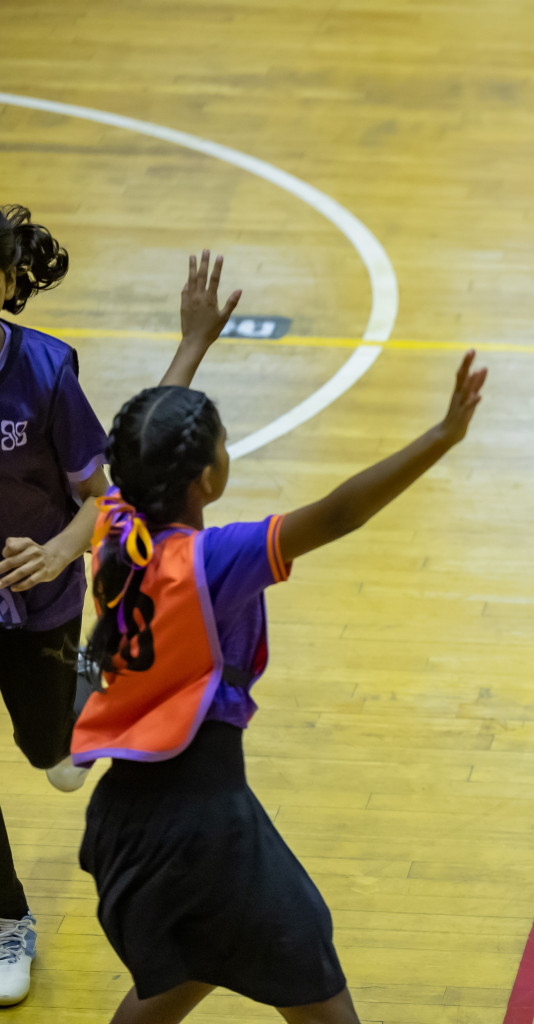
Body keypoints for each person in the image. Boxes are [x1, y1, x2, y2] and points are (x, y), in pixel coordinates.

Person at [71, 350, 484, 1024]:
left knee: (202, 961)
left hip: (131, 818)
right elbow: (340, 514)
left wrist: (195, 342)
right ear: (206, 479)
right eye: (224, 444)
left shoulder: (116, 531)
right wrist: (441, 436)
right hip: (199, 826)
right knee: (305, 961)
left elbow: (134, 455)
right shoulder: (211, 560)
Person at [0, 200, 241, 1006]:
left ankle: (67, 718)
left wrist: (60, 552)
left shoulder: (41, 373)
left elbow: (111, 488)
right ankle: (6, 920)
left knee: (52, 755)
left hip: (39, 603)